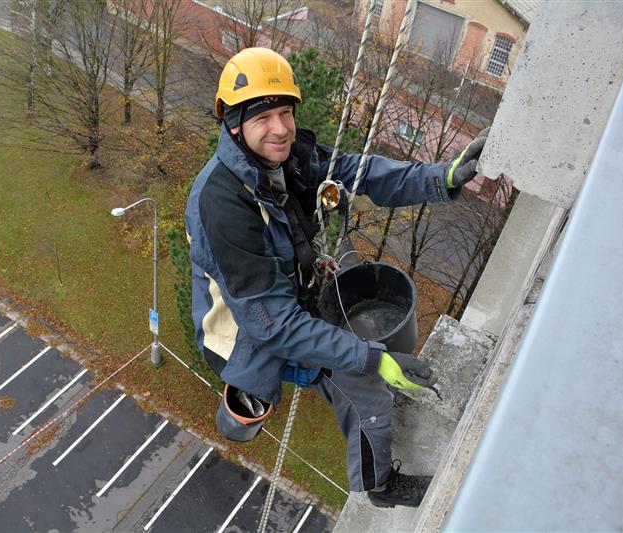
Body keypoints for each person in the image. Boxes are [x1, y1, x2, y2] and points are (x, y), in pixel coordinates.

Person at [185, 48, 487, 508]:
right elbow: (273, 325)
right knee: (367, 392)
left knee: (353, 321)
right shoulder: (222, 203)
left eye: (286, 112)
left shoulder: (288, 159)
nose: (281, 128)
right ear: (233, 124)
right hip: (248, 332)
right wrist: (375, 361)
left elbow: (360, 173)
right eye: (264, 116)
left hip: (282, 301)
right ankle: (380, 487)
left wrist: (441, 177)